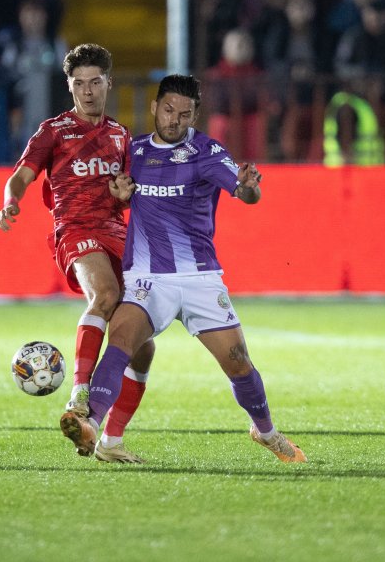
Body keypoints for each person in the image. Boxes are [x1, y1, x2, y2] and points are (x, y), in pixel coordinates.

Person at [59, 74, 307, 464]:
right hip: (147, 279)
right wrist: (120, 198)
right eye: (169, 110)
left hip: (199, 278)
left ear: (195, 116)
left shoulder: (208, 152)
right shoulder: (133, 150)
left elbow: (246, 192)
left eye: (184, 114)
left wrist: (249, 187)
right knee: (121, 340)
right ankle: (91, 423)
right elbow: (109, 196)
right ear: (155, 108)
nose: (174, 120)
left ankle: (266, 431)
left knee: (239, 361)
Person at [0, 43, 155, 464]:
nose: (87, 91)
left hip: (118, 234)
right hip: (76, 230)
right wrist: (11, 201)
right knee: (103, 296)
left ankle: (108, 439)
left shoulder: (121, 136)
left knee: (144, 346)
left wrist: (125, 196)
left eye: (95, 82)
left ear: (108, 83)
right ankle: (80, 393)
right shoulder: (53, 131)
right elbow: (20, 176)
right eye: (78, 84)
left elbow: (126, 194)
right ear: (69, 86)